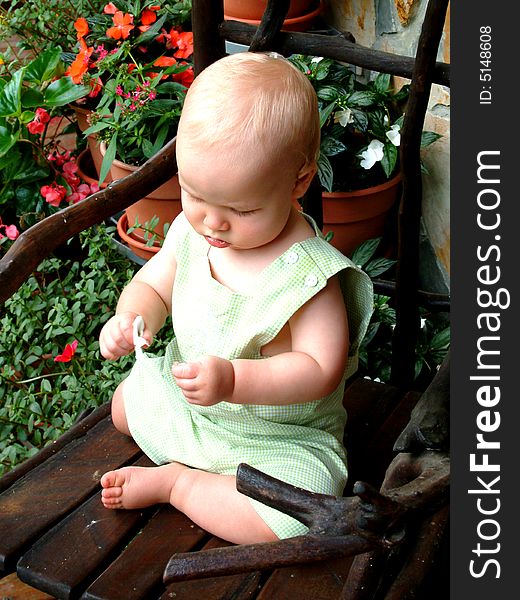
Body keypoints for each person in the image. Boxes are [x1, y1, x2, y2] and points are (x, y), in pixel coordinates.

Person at [98, 52, 373, 544]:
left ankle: (180, 483)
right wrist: (130, 316)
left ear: (299, 182)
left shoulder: (309, 275)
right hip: (199, 407)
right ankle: (199, 461)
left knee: (297, 509)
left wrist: (233, 379)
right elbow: (155, 285)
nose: (212, 222)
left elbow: (319, 366)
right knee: (124, 407)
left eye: (241, 209)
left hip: (280, 441)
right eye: (194, 195)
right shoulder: (192, 233)